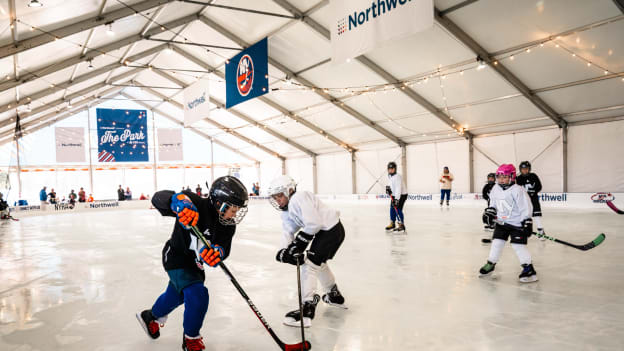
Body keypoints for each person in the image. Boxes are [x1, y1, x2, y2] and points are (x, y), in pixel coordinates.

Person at [136, 176, 249, 351]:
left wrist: (218, 253)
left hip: (195, 265)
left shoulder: (228, 225)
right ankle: (191, 338)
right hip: (176, 257)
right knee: (198, 295)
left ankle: (151, 316)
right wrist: (176, 201)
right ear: (218, 202)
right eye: (232, 209)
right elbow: (158, 198)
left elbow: (224, 248)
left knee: (177, 295)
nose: (234, 214)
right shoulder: (194, 202)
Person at [268, 175, 347, 328]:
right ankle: (334, 295)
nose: (278, 200)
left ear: (289, 190)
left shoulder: (299, 197)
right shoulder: (287, 210)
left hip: (330, 230)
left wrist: (298, 245)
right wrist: (283, 252)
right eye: (275, 197)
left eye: (279, 195)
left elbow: (314, 224)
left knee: (309, 266)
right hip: (332, 231)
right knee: (318, 263)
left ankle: (306, 310)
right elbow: (288, 231)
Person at [479, 164, 537, 283]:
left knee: (518, 246)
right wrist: (490, 212)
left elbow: (526, 207)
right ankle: (491, 263)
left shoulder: (518, 190)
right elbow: (493, 203)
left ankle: (528, 269)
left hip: (516, 224)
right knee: (496, 243)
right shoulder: (496, 188)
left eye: (504, 177)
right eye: (499, 177)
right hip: (501, 223)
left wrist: (527, 221)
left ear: (512, 177)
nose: (501, 179)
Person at [516, 161, 545, 240]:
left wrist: (534, 191)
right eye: (523, 169)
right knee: (523, 215)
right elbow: (516, 189)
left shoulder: (533, 176)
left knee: (536, 215)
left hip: (533, 200)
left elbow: (539, 186)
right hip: (523, 201)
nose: (524, 170)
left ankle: (541, 231)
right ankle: (523, 231)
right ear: (520, 169)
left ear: (529, 169)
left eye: (526, 169)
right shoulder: (518, 178)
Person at [385, 161, 407, 232]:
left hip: (401, 195)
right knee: (392, 208)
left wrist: (397, 199)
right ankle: (392, 223)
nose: (391, 170)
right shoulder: (390, 176)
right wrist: (389, 189)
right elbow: (391, 184)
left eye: (392, 169)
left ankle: (401, 225)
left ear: (395, 169)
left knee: (397, 209)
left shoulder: (397, 177)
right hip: (395, 195)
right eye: (389, 169)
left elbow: (398, 188)